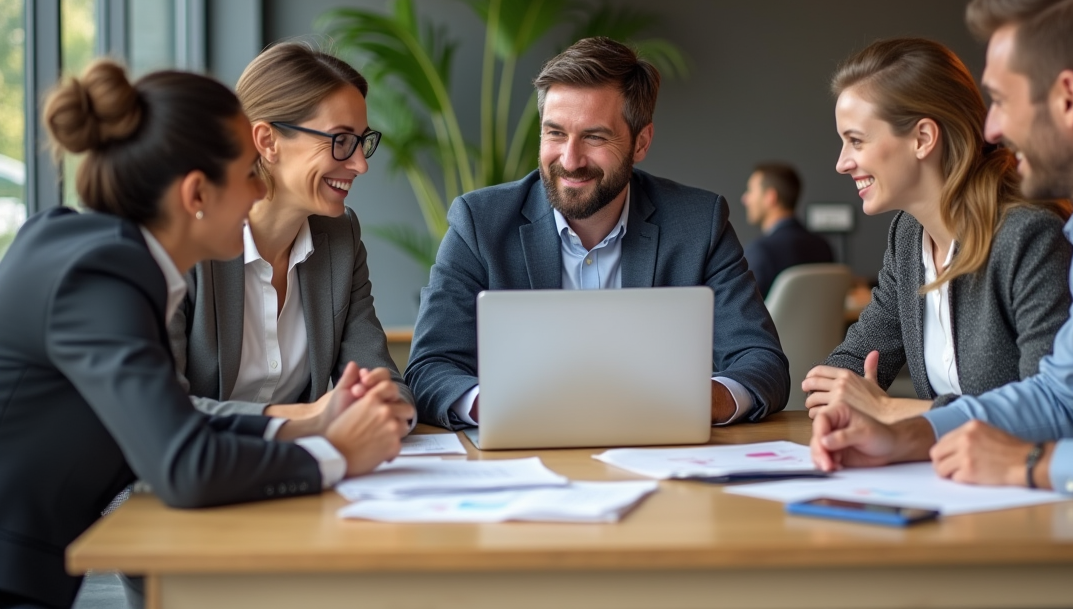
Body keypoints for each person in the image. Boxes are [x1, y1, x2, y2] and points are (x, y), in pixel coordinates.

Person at [0, 61, 405, 609]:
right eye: (247, 175)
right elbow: (182, 464)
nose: (256, 193)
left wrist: (317, 426)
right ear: (196, 193)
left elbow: (172, 421)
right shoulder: (101, 275)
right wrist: (333, 453)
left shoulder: (107, 257)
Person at [810, 0, 1073, 505]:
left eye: (1001, 100)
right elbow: (1068, 399)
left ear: (1068, 99)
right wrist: (908, 437)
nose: (990, 127)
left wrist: (1033, 463)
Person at [404, 37, 790, 429]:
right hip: (520, 465)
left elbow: (762, 362)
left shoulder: (698, 223)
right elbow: (429, 368)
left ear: (641, 142)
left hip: (657, 463)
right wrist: (499, 407)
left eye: (594, 137)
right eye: (555, 133)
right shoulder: (479, 222)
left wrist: (700, 400)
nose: (569, 160)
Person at [802, 38, 1073, 423]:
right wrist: (838, 398)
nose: (842, 163)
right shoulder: (908, 237)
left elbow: (1052, 410)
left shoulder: (1028, 235)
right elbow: (848, 367)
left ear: (923, 138)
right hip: (946, 475)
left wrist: (890, 409)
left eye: (856, 141)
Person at [169, 42, 415, 429]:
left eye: (362, 141)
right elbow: (162, 413)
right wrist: (306, 417)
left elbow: (381, 379)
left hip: (304, 476)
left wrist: (387, 405)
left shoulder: (340, 238)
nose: (360, 164)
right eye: (341, 140)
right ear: (267, 141)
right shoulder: (184, 244)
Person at [740, 162, 834, 297]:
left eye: (750, 191)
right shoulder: (823, 247)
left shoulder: (760, 251)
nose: (745, 199)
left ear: (770, 197)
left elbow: (744, 310)